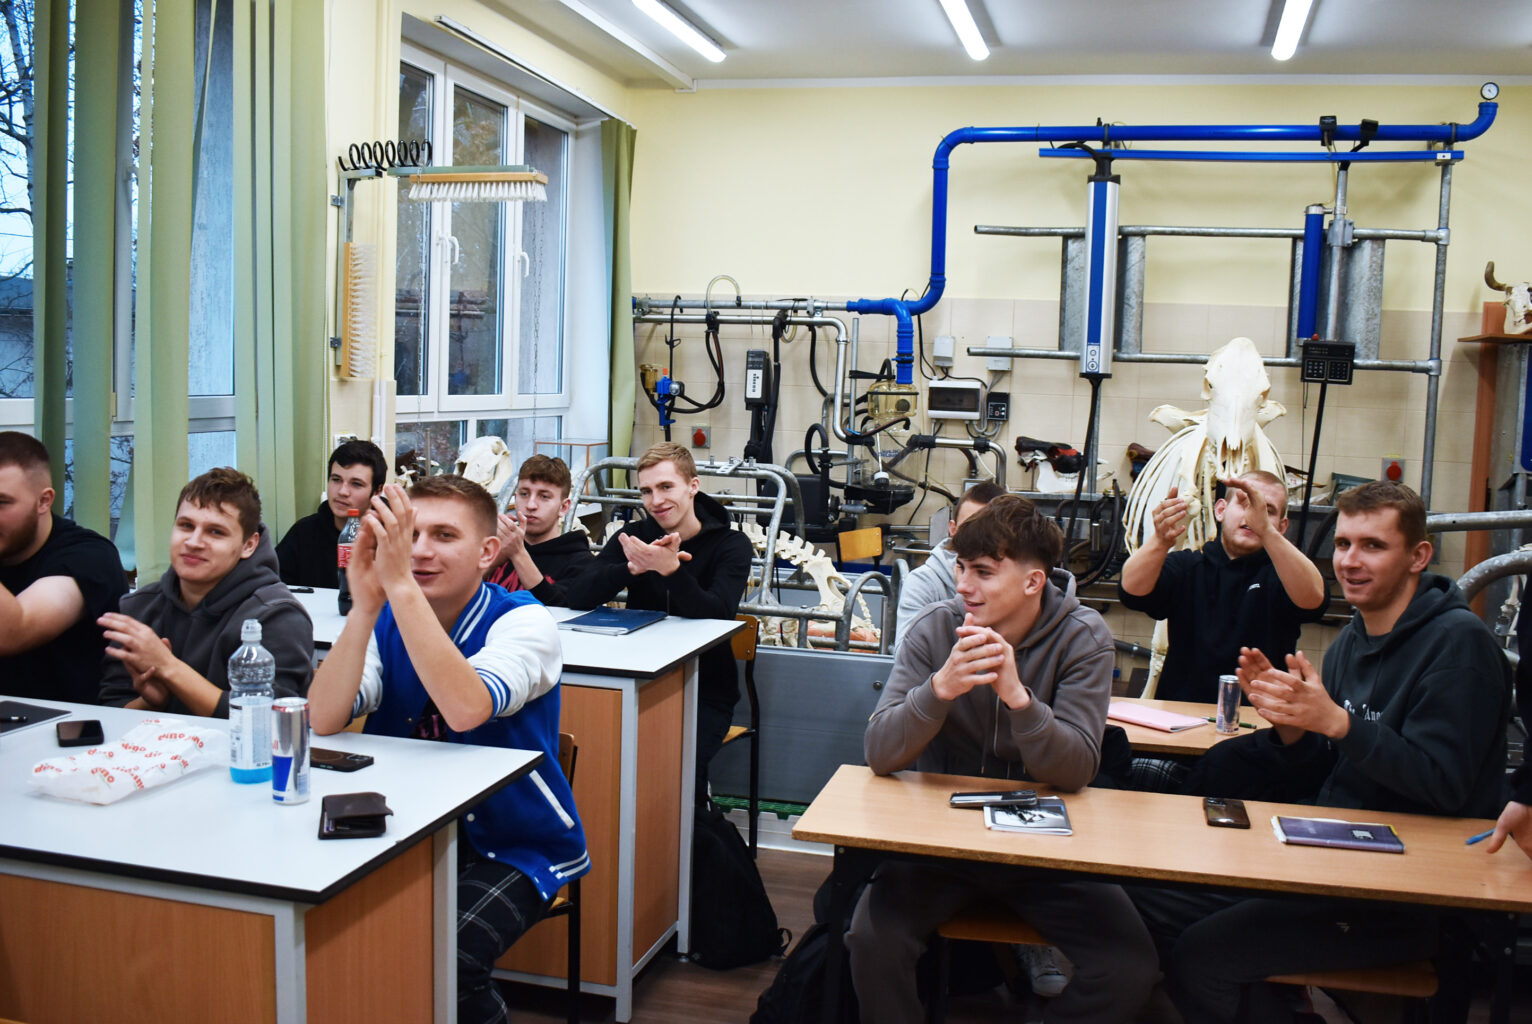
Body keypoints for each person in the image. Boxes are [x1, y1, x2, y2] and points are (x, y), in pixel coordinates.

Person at [1139, 481, 1510, 1022]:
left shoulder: (1459, 646)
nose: (1350, 561)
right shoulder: (1351, 641)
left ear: (1418, 557)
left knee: (1204, 954)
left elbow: (1443, 785)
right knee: (1142, 898)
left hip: (1401, 897)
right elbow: (1325, 770)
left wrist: (1337, 722)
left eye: (1373, 546)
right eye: (1342, 544)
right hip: (1327, 864)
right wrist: (1292, 727)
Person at [846, 495, 1157, 1024]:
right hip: (939, 845)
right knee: (871, 941)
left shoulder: (1083, 637)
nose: (964, 586)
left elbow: (1076, 769)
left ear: (1033, 581)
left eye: (983, 572)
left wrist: (1019, 700)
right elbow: (879, 752)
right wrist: (938, 690)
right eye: (961, 568)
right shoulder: (935, 628)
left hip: (1045, 852)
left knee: (1130, 968)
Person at [306, 474, 587, 1024]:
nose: (419, 552)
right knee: (333, 937)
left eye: (444, 536)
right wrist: (364, 608)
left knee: (447, 960)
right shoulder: (386, 617)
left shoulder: (524, 620)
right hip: (404, 829)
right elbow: (323, 717)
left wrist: (399, 588)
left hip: (512, 843)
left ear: (487, 552)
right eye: (410, 535)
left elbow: (466, 708)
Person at [564, 442, 752, 796]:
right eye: (646, 491)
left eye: (666, 487)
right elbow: (577, 596)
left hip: (704, 690)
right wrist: (632, 567)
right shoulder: (633, 538)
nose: (656, 500)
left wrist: (671, 571)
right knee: (603, 766)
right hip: (638, 683)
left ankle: (698, 827)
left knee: (676, 779)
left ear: (693, 486)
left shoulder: (732, 545)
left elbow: (717, 614)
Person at [98, 468, 313, 715]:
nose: (194, 542)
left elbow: (271, 717)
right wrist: (153, 702)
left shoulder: (277, 615)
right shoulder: (139, 608)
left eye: (215, 532)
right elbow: (111, 712)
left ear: (248, 545)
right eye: (186, 526)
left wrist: (169, 668)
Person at [1120, 470, 1327, 704]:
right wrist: (1159, 541)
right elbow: (1131, 591)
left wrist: (1267, 531)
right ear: (1220, 510)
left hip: (1262, 716)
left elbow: (1314, 600)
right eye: (1243, 503)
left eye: (1267, 510)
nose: (1253, 515)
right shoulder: (1188, 567)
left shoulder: (1284, 575)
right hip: (1182, 714)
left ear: (1281, 527)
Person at [0, 431, 129, 704]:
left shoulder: (88, 557)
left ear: (44, 501)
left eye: (2, 503)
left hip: (69, 725)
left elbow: (12, 632)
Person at [892, 480, 1005, 654]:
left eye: (991, 531)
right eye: (969, 528)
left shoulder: (1014, 584)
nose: (979, 540)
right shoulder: (924, 583)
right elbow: (904, 657)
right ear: (953, 529)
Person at [275, 439, 388, 588]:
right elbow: (271, 584)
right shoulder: (304, 532)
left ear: (378, 491)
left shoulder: (394, 536)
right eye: (336, 480)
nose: (342, 491)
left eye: (356, 484)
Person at [485, 454, 596, 606]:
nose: (531, 505)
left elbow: (557, 609)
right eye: (524, 494)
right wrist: (490, 561)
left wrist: (517, 553)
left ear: (563, 507)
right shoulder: (498, 547)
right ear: (515, 499)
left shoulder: (581, 564)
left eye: (544, 496)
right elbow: (459, 597)